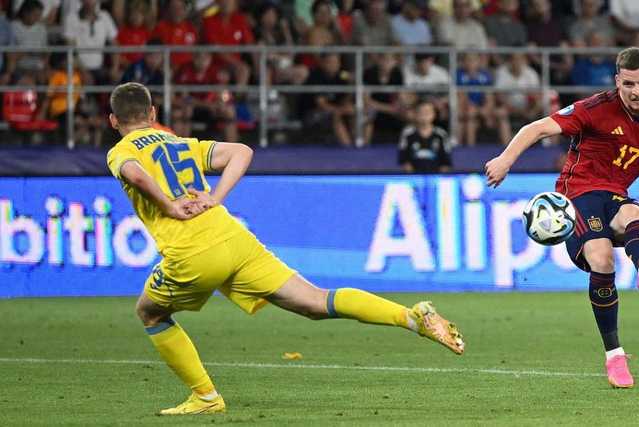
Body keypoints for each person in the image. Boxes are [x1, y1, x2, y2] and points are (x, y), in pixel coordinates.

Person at [105, 82, 464, 415]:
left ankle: (206, 397)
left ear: (113, 120)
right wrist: (215, 197)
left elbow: (134, 173)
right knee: (316, 301)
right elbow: (242, 151)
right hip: (234, 239)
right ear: (153, 114)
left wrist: (169, 206)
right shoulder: (180, 143)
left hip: (192, 252)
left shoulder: (121, 151)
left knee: (150, 313)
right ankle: (411, 317)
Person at [485, 47, 639, 388]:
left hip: (614, 197)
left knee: (634, 212)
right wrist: (505, 160)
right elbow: (537, 128)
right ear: (617, 81)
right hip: (577, 196)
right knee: (602, 259)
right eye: (628, 84)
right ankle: (615, 356)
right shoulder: (595, 108)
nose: (636, 91)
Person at [398, 100, 452, 173]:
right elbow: (404, 160)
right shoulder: (407, 133)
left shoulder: (441, 134)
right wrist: (414, 176)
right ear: (415, 115)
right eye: (421, 112)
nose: (424, 116)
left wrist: (438, 177)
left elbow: (446, 163)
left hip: (436, 176)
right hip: (413, 176)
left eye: (427, 112)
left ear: (434, 114)